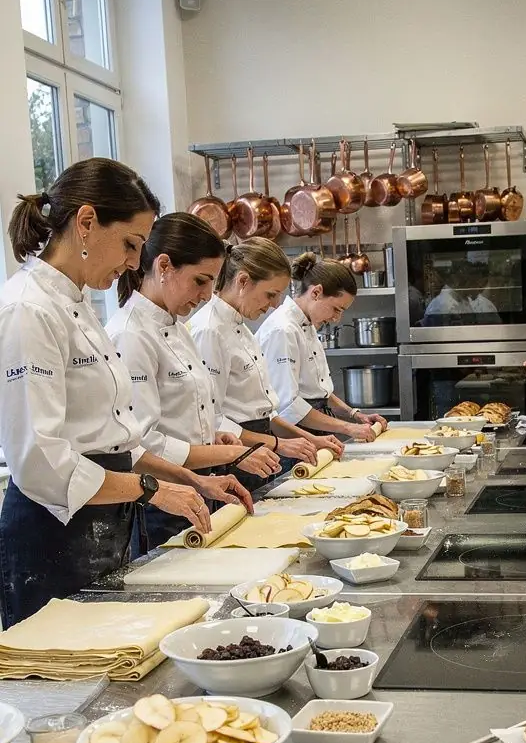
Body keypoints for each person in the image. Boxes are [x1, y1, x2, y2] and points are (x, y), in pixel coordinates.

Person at [0, 161, 223, 625]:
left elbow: (116, 439)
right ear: (85, 223)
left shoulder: (79, 306)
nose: (132, 262)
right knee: (66, 684)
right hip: (52, 535)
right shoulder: (29, 309)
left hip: (105, 520)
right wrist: (150, 490)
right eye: (129, 244)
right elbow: (41, 461)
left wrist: (184, 480)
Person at [106, 213, 279, 550]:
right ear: (164, 266)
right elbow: (142, 442)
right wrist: (231, 452)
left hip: (197, 483)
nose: (206, 295)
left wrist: (213, 437)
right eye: (200, 281)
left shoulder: (177, 327)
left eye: (211, 283)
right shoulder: (131, 334)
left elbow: (186, 412)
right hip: (161, 499)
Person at [190, 238, 343, 490]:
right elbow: (214, 420)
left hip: (260, 446)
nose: (274, 304)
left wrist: (308, 439)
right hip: (236, 455)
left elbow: (266, 411)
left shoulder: (242, 329)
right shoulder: (209, 331)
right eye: (270, 294)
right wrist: (278, 444)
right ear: (242, 281)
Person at [257, 253, 387, 442]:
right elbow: (288, 406)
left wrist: (355, 415)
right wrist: (347, 427)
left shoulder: (307, 326)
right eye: (336, 309)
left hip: (314, 426)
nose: (336, 318)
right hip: (295, 436)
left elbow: (319, 392)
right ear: (316, 292)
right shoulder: (282, 330)